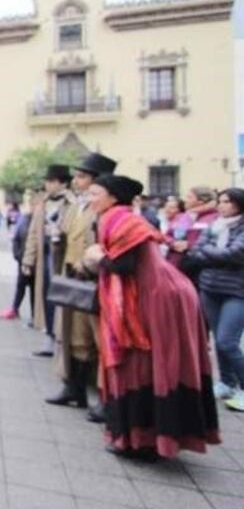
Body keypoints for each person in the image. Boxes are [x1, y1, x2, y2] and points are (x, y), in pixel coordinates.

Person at [83, 174, 219, 459]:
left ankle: (142, 441)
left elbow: (122, 264)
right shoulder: (119, 216)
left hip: (156, 298)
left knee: (140, 366)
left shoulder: (119, 218)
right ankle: (142, 438)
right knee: (145, 365)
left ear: (113, 196)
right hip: (155, 294)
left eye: (95, 192)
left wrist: (95, 257)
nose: (89, 197)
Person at [44, 152, 117, 422]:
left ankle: (108, 398)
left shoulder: (109, 210)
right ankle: (73, 389)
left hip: (96, 281)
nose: (76, 180)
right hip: (74, 278)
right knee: (73, 337)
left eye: (82, 176)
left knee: (101, 342)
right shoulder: (77, 205)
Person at [186, 188, 244, 412]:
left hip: (236, 291)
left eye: (227, 202)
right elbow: (195, 253)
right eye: (220, 201)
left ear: (239, 204)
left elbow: (236, 254)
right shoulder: (215, 225)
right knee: (218, 340)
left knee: (227, 341)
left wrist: (210, 253)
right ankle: (227, 383)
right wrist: (216, 254)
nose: (222, 205)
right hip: (210, 288)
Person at [22, 164, 75, 357]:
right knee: (46, 296)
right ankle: (50, 338)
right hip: (45, 253)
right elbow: (32, 234)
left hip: (63, 255)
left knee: (61, 297)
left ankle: (62, 340)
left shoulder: (73, 203)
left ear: (63, 183)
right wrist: (28, 260)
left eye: (52, 181)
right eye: (47, 181)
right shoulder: (42, 202)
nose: (48, 184)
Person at [0, 190, 38, 321]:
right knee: (20, 286)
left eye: (35, 204)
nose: (33, 207)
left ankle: (34, 315)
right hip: (23, 259)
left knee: (34, 289)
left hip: (37, 262)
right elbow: (16, 238)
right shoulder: (25, 218)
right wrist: (17, 255)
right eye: (32, 204)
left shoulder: (41, 221)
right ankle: (15, 309)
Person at [165, 186, 218, 278]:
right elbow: (166, 236)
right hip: (175, 264)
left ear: (201, 201)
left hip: (199, 267)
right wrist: (173, 243)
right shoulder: (181, 216)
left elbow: (215, 241)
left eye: (189, 197)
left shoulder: (215, 218)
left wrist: (189, 244)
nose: (186, 200)